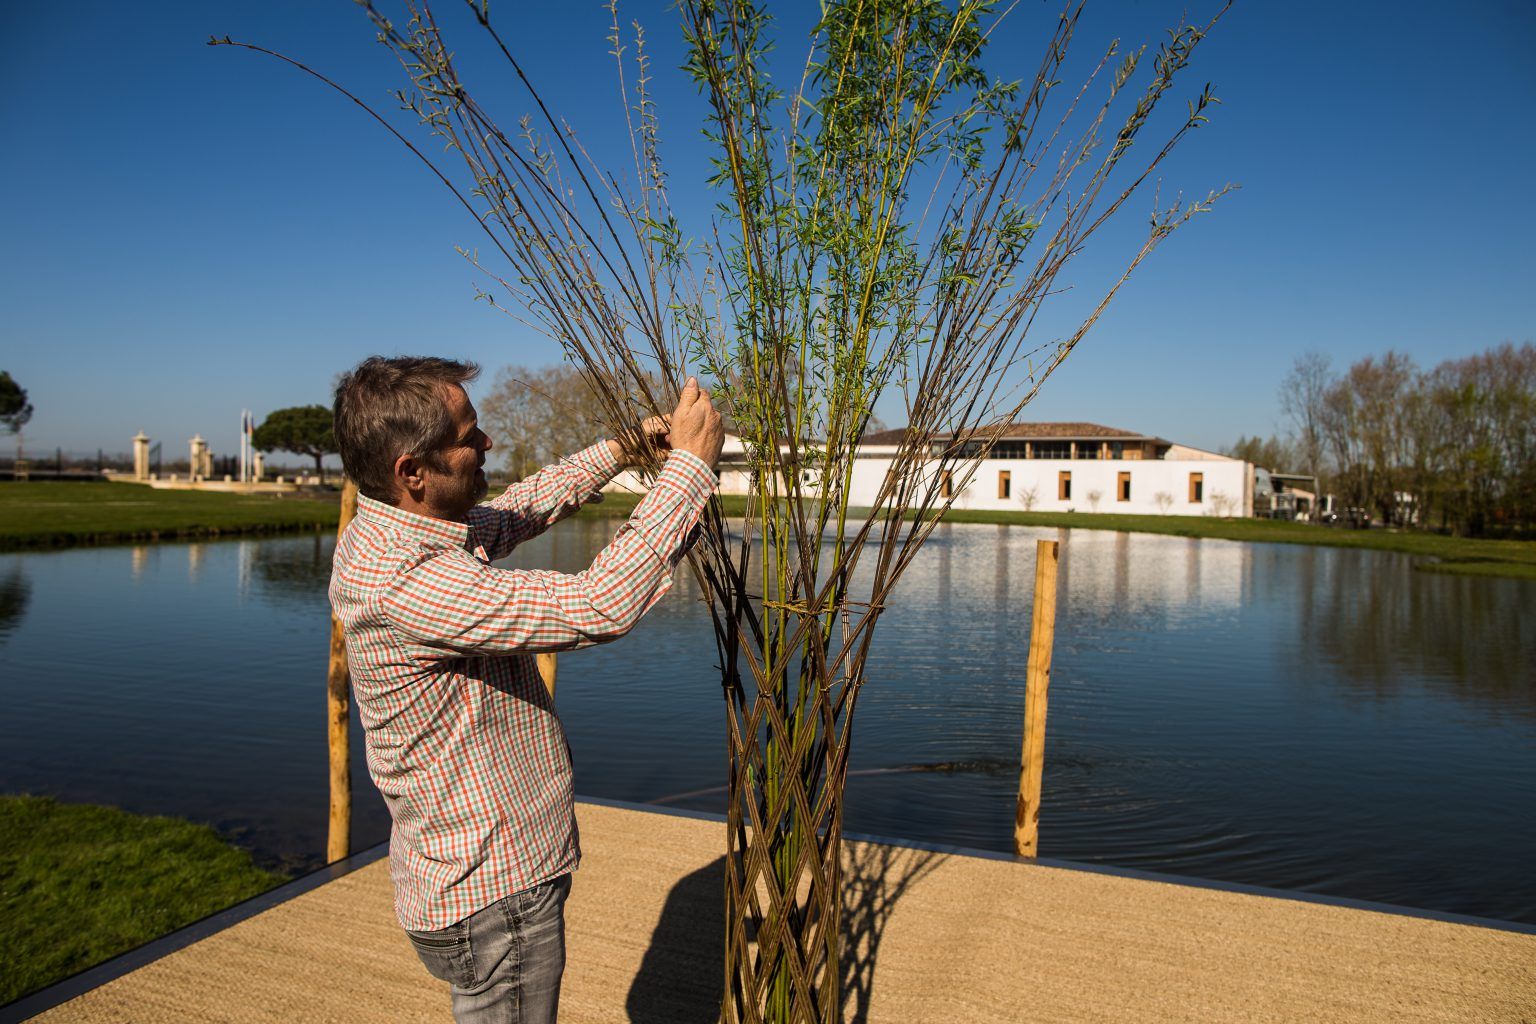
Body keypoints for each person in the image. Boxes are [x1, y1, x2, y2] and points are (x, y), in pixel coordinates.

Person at [328, 355, 723, 1023]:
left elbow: (515, 511)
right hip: (492, 893)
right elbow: (601, 603)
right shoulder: (407, 582)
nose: (488, 444)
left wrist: (625, 448)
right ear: (412, 472)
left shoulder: (399, 530)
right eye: (468, 435)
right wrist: (689, 470)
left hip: (476, 876)